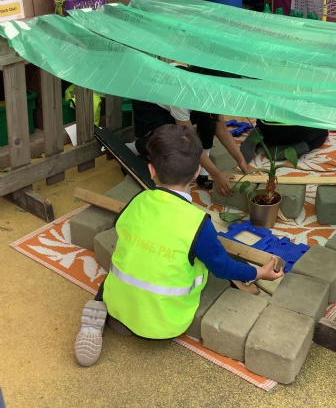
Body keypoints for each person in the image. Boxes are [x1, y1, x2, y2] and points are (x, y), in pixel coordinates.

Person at [75, 124, 283, 367]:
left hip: (119, 303)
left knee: (125, 265)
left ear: (151, 170)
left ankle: (106, 311)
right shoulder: (198, 223)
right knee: (200, 259)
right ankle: (135, 321)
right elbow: (223, 268)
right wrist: (259, 273)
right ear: (197, 172)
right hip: (164, 323)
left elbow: (119, 226)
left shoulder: (139, 199)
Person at [127, 65, 250, 197]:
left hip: (175, 97)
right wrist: (216, 174)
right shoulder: (182, 96)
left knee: (210, 117)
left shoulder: (210, 92)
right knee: (171, 140)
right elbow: (191, 141)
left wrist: (241, 161)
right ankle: (133, 148)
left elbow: (222, 130)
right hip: (149, 104)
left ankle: (203, 169)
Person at [240, 119, 329, 163]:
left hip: (267, 128)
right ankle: (304, 146)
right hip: (296, 134)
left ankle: (258, 131)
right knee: (323, 131)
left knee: (267, 118)